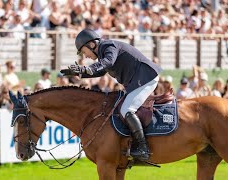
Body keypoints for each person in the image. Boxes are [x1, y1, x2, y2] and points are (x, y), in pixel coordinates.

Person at [60, 29, 163, 161]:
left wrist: (87, 68)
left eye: (84, 51)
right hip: (138, 81)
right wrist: (79, 73)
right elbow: (102, 71)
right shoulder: (103, 50)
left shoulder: (108, 46)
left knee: (127, 109)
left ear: (92, 44)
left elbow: (107, 63)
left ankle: (143, 148)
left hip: (145, 78)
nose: (85, 56)